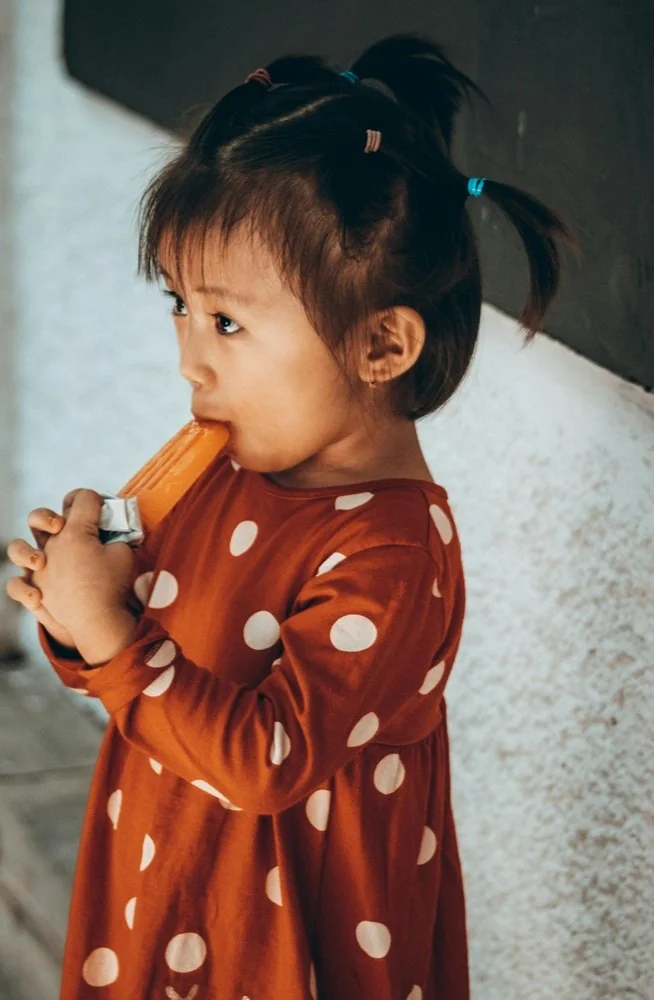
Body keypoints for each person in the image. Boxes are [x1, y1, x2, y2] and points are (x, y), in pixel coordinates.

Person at [6, 32, 580, 1000]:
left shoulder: (393, 554)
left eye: (227, 321)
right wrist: (77, 615)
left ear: (382, 344)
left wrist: (109, 634)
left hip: (284, 938)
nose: (192, 357)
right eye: (178, 307)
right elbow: (147, 662)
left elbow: (268, 761)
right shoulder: (223, 471)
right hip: (165, 874)